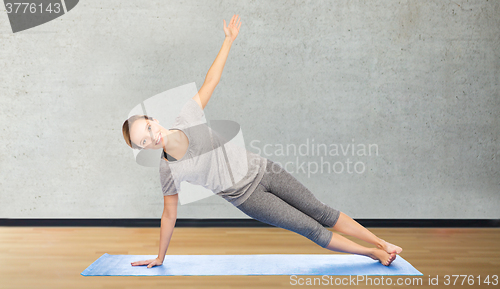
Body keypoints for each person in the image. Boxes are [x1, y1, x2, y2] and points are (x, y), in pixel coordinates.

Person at [122, 14, 402, 269]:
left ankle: (381, 243)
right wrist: (161, 257)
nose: (151, 136)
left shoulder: (188, 116)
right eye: (144, 141)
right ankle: (372, 253)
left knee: (320, 210)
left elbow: (211, 81)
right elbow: (168, 215)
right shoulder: (167, 170)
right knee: (311, 229)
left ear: (154, 119)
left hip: (265, 169)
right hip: (248, 198)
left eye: (148, 128)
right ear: (145, 148)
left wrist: (228, 41)